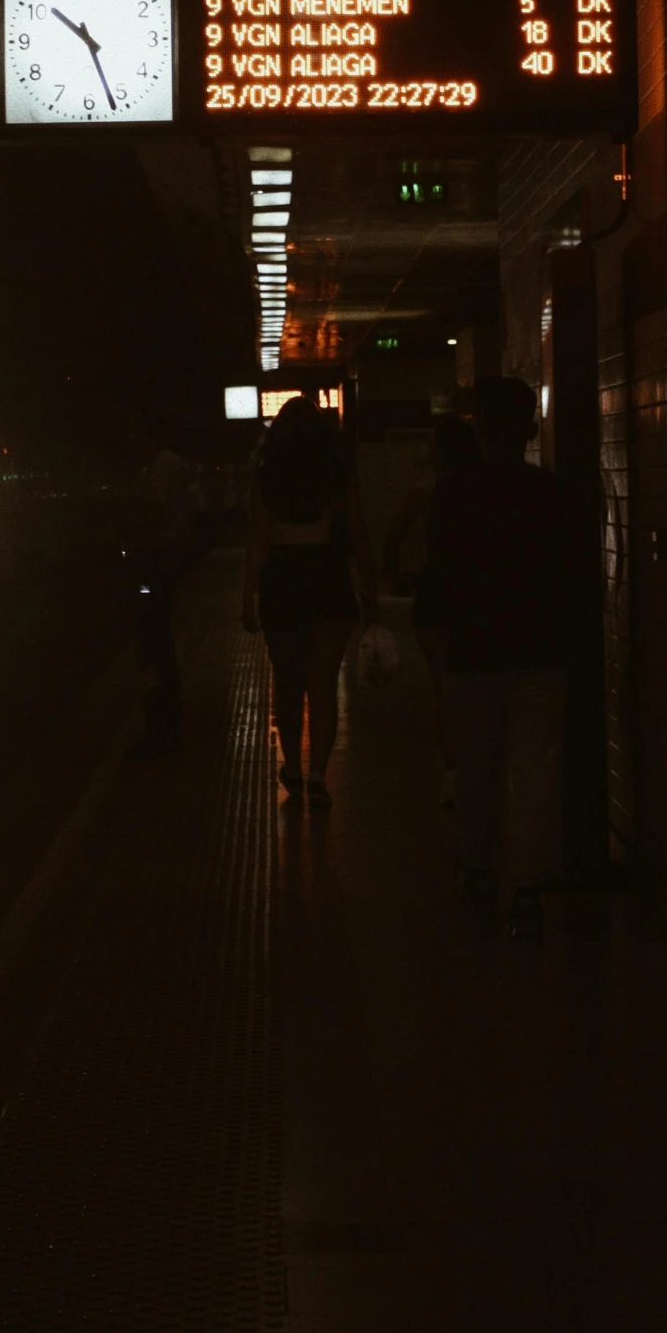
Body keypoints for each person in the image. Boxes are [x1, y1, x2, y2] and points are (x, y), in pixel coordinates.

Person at [426, 375, 568, 940]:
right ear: (531, 429)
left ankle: (478, 869)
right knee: (534, 769)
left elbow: (439, 573)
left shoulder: (451, 492)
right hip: (540, 648)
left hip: (474, 649)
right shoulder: (552, 493)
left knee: (477, 766)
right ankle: (528, 887)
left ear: (480, 430)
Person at [241, 395, 375, 808]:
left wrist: (249, 596)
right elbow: (356, 531)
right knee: (322, 680)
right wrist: (370, 587)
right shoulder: (336, 471)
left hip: (283, 576)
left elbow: (260, 539)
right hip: (327, 575)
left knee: (288, 679)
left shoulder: (268, 474)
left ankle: (293, 768)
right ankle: (317, 772)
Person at [387, 414, 484, 802]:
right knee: (482, 686)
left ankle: (453, 777)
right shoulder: (485, 487)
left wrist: (398, 577)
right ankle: (483, 770)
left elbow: (392, 537)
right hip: (478, 594)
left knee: (444, 689)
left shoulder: (426, 490)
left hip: (435, 590)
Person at [127, 421, 198, 757]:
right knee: (159, 639)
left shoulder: (160, 465)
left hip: (152, 568)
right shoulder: (172, 462)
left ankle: (160, 727)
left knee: (151, 640)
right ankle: (166, 722)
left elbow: (152, 514)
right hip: (163, 565)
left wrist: (129, 530)